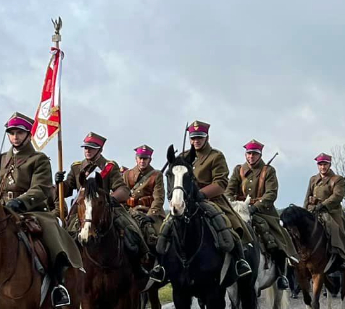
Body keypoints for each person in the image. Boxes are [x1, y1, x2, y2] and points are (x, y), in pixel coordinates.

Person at [0, 113, 82, 309]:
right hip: (2, 211)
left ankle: (58, 285)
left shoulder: (38, 159)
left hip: (33, 211)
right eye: (12, 133)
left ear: (28, 134)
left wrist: (19, 203)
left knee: (51, 233)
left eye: (19, 133)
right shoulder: (1, 159)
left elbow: (40, 189)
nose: (15, 137)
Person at [165, 120, 252, 279]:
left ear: (206, 137)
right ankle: (161, 265)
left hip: (212, 200)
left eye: (199, 137)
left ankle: (240, 260)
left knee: (230, 225)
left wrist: (201, 194)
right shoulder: (184, 156)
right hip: (186, 201)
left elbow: (221, 183)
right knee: (166, 226)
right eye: (193, 138)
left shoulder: (216, 156)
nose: (196, 141)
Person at [59, 132, 154, 276]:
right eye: (85, 147)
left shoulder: (109, 166)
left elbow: (122, 189)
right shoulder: (77, 167)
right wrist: (59, 182)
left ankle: (143, 261)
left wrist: (110, 199)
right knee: (65, 235)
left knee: (130, 227)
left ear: (100, 150)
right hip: (83, 210)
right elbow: (65, 190)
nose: (87, 150)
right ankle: (64, 272)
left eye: (91, 148)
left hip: (106, 208)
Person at [226, 140, 293, 290]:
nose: (251, 157)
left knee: (275, 238)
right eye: (249, 153)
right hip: (239, 210)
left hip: (264, 212)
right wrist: (233, 204)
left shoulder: (268, 171)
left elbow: (271, 194)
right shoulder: (238, 170)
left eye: (254, 154)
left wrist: (255, 207)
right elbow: (229, 190)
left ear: (260, 154)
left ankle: (281, 275)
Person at [303, 153, 345, 267]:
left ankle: (339, 255)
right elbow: (307, 196)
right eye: (320, 164)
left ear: (329, 165)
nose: (322, 167)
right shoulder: (313, 179)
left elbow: (337, 196)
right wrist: (304, 211)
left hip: (331, 211)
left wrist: (323, 204)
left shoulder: (337, 179)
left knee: (333, 228)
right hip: (313, 209)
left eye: (325, 164)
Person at [123, 144, 166, 248]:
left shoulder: (157, 175)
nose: (142, 161)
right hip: (131, 211)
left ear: (150, 160)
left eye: (145, 158)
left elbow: (158, 198)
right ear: (136, 159)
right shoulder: (127, 174)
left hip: (149, 211)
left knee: (159, 238)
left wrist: (150, 216)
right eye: (140, 158)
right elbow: (124, 195)